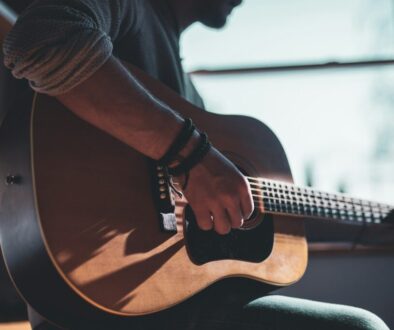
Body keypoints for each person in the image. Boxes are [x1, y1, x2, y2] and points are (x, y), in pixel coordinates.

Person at [2, 0, 390, 329]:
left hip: (165, 304)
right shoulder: (129, 8)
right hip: (96, 304)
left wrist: (371, 221)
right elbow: (40, 38)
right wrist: (191, 157)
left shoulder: (189, 96)